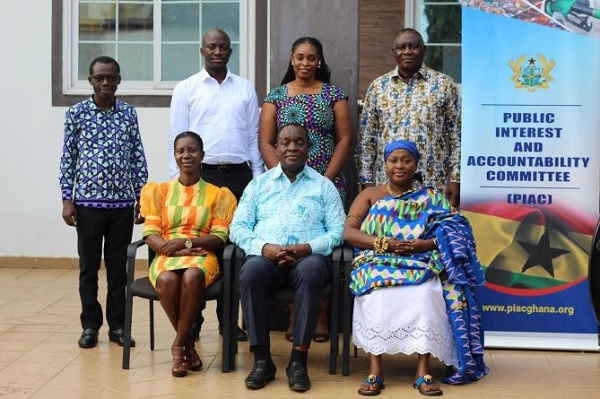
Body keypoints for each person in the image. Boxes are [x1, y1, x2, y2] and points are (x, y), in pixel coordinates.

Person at [344, 140, 488, 396]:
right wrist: (383, 243)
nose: (399, 166)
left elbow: (459, 230)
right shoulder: (369, 195)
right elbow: (348, 232)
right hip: (376, 260)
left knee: (425, 293)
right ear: (385, 164)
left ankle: (422, 371)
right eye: (393, 160)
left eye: (406, 160)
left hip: (419, 261)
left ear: (415, 164)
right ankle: (375, 370)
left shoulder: (431, 197)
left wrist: (425, 244)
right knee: (376, 295)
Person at [230, 123, 345, 392]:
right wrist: (265, 247)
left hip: (308, 258)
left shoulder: (323, 186)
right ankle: (262, 360)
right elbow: (238, 228)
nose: (292, 147)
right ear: (277, 149)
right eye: (285, 143)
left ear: (308, 148)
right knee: (251, 272)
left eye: (299, 142)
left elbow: (338, 232)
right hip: (267, 258)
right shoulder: (259, 185)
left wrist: (307, 247)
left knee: (311, 271)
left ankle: (298, 361)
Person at [170, 28, 263, 341]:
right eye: (212, 46)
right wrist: (179, 185)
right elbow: (178, 138)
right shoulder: (186, 89)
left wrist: (258, 180)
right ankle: (192, 320)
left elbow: (252, 136)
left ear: (230, 51)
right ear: (202, 50)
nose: (218, 51)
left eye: (223, 46)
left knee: (234, 250)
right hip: (201, 176)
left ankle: (228, 321)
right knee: (197, 246)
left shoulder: (245, 89)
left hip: (238, 176)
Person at [259, 36, 352, 343]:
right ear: (291, 59)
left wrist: (323, 180)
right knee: (288, 237)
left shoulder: (333, 95)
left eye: (311, 58)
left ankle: (321, 317)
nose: (305, 63)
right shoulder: (276, 96)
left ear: (320, 61)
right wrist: (283, 177)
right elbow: (266, 141)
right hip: (285, 181)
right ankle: (295, 315)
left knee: (321, 243)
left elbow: (344, 139)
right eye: (299, 57)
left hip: (327, 178)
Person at [59, 56, 148, 349]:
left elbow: (137, 156)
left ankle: (118, 327)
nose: (106, 83)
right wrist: (67, 200)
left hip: (122, 207)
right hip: (86, 206)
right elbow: (68, 158)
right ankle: (90, 326)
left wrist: (141, 197)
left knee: (118, 270)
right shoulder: (77, 113)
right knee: (88, 269)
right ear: (91, 81)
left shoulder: (128, 114)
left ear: (119, 80)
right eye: (100, 78)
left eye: (111, 77)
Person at [140, 132, 237, 377]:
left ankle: (177, 346)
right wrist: (165, 248)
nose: (186, 155)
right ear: (174, 156)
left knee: (193, 277)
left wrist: (186, 242)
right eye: (181, 151)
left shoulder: (218, 194)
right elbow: (150, 232)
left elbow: (219, 237)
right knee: (167, 280)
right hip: (167, 253)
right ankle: (188, 345)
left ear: (202, 155)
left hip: (201, 253)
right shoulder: (159, 192)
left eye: (192, 150)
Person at [356, 28, 461, 207]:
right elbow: (367, 140)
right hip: (388, 187)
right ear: (393, 52)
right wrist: (366, 182)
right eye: (401, 47)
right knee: (390, 234)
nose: (407, 51)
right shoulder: (378, 87)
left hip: (434, 184)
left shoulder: (444, 85)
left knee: (431, 234)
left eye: (413, 46)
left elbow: (457, 135)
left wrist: (456, 178)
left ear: (424, 50)